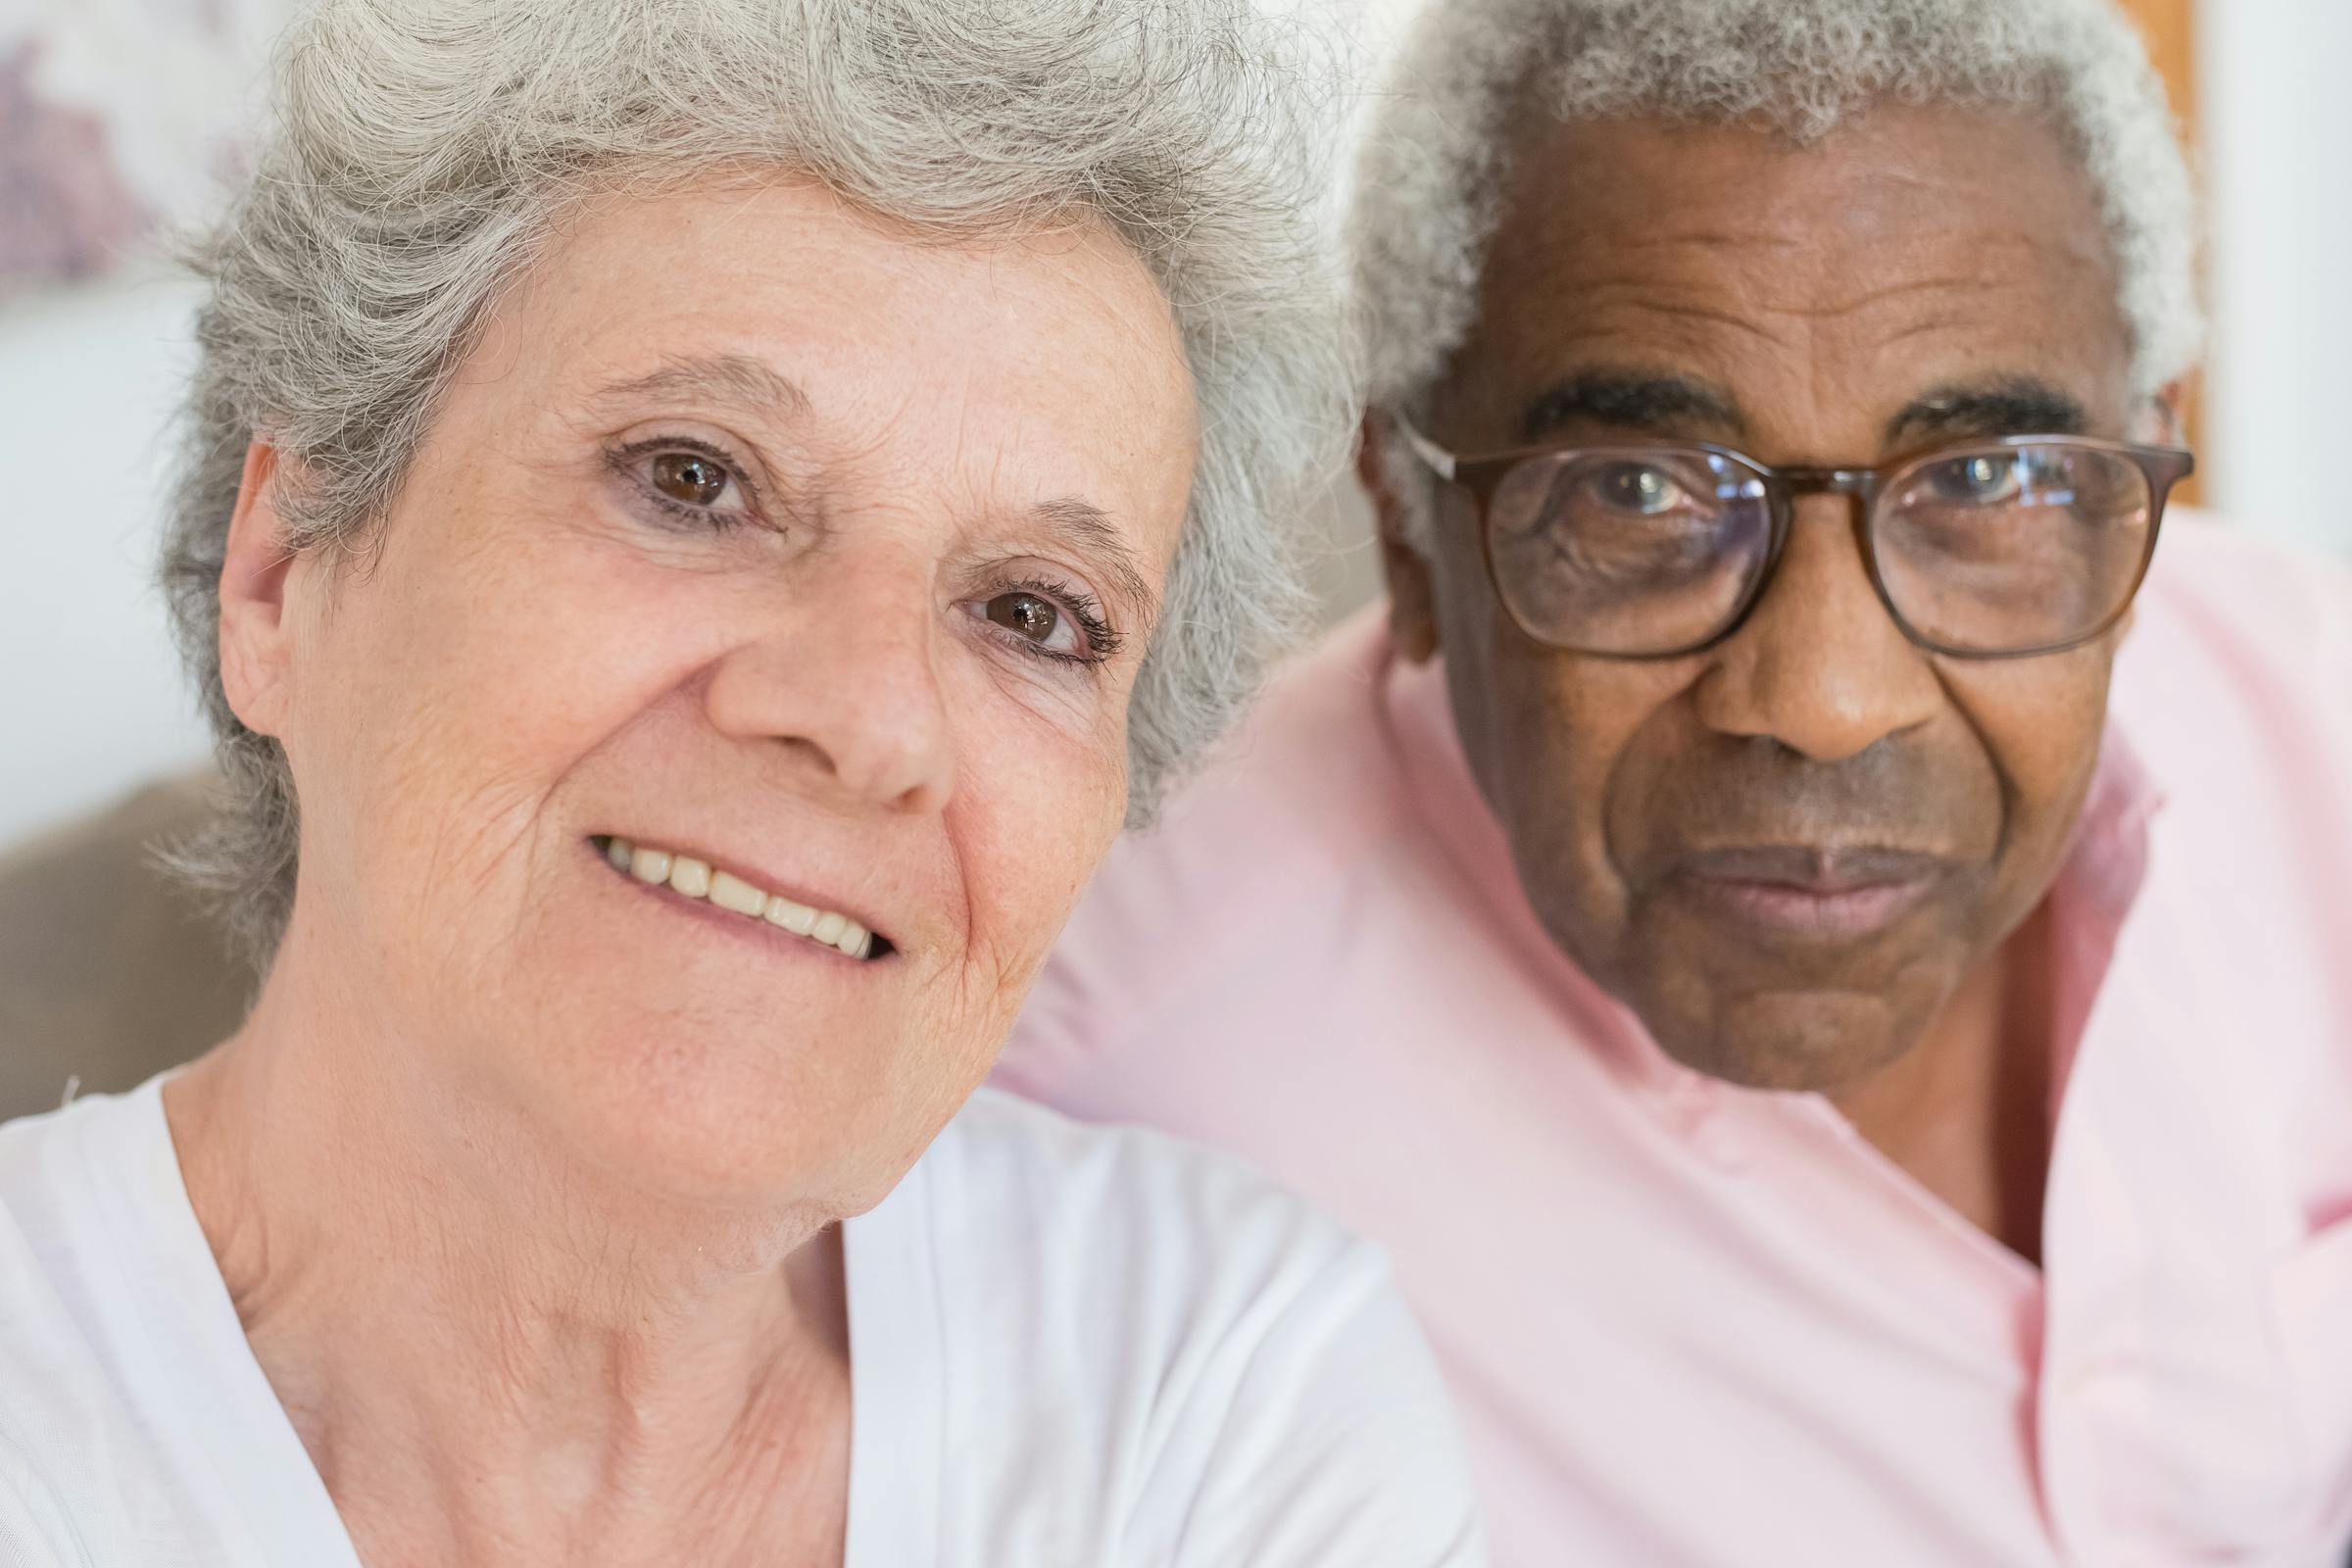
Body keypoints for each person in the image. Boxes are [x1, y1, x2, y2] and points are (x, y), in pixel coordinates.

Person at [0, 2, 1489, 1564]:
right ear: (280, 570)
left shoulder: (1218, 1392)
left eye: (1031, 614)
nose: (867, 718)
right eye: (693, 479)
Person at [996, 0, 2352, 1562]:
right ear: (1407, 526)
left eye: (1980, 480)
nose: (1828, 703)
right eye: (1639, 492)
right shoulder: (1085, 1095)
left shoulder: (2313, 725)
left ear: (2142, 464)